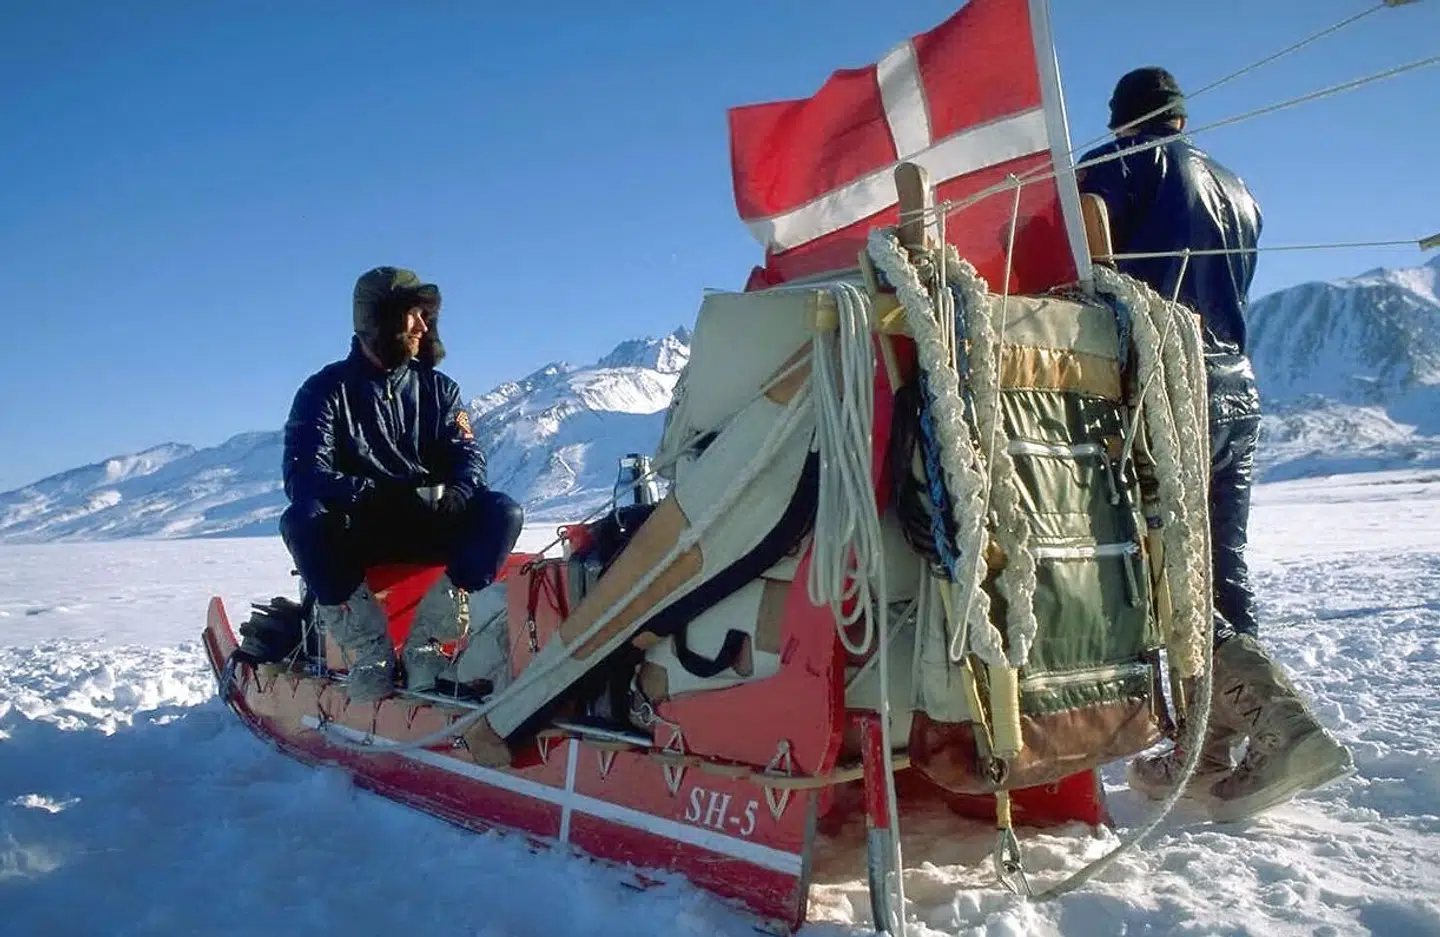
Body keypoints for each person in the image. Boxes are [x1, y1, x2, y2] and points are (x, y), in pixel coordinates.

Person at [1077, 68, 1352, 821]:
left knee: (1171, 575)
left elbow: (1088, 219)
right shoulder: (1240, 191)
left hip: (1173, 385)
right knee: (1222, 573)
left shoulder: (1121, 161)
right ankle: (1217, 738)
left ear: (1126, 121)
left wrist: (1093, 296)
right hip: (1239, 388)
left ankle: (1284, 728)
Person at [279, 266, 524, 702]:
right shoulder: (324, 391)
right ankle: (369, 650)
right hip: (361, 530)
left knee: (501, 511)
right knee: (302, 518)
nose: (422, 326)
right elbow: (304, 476)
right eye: (412, 314)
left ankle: (426, 645)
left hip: (429, 524)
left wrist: (461, 491)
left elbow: (467, 454)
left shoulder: (439, 389)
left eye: (426, 315)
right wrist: (377, 496)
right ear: (378, 319)